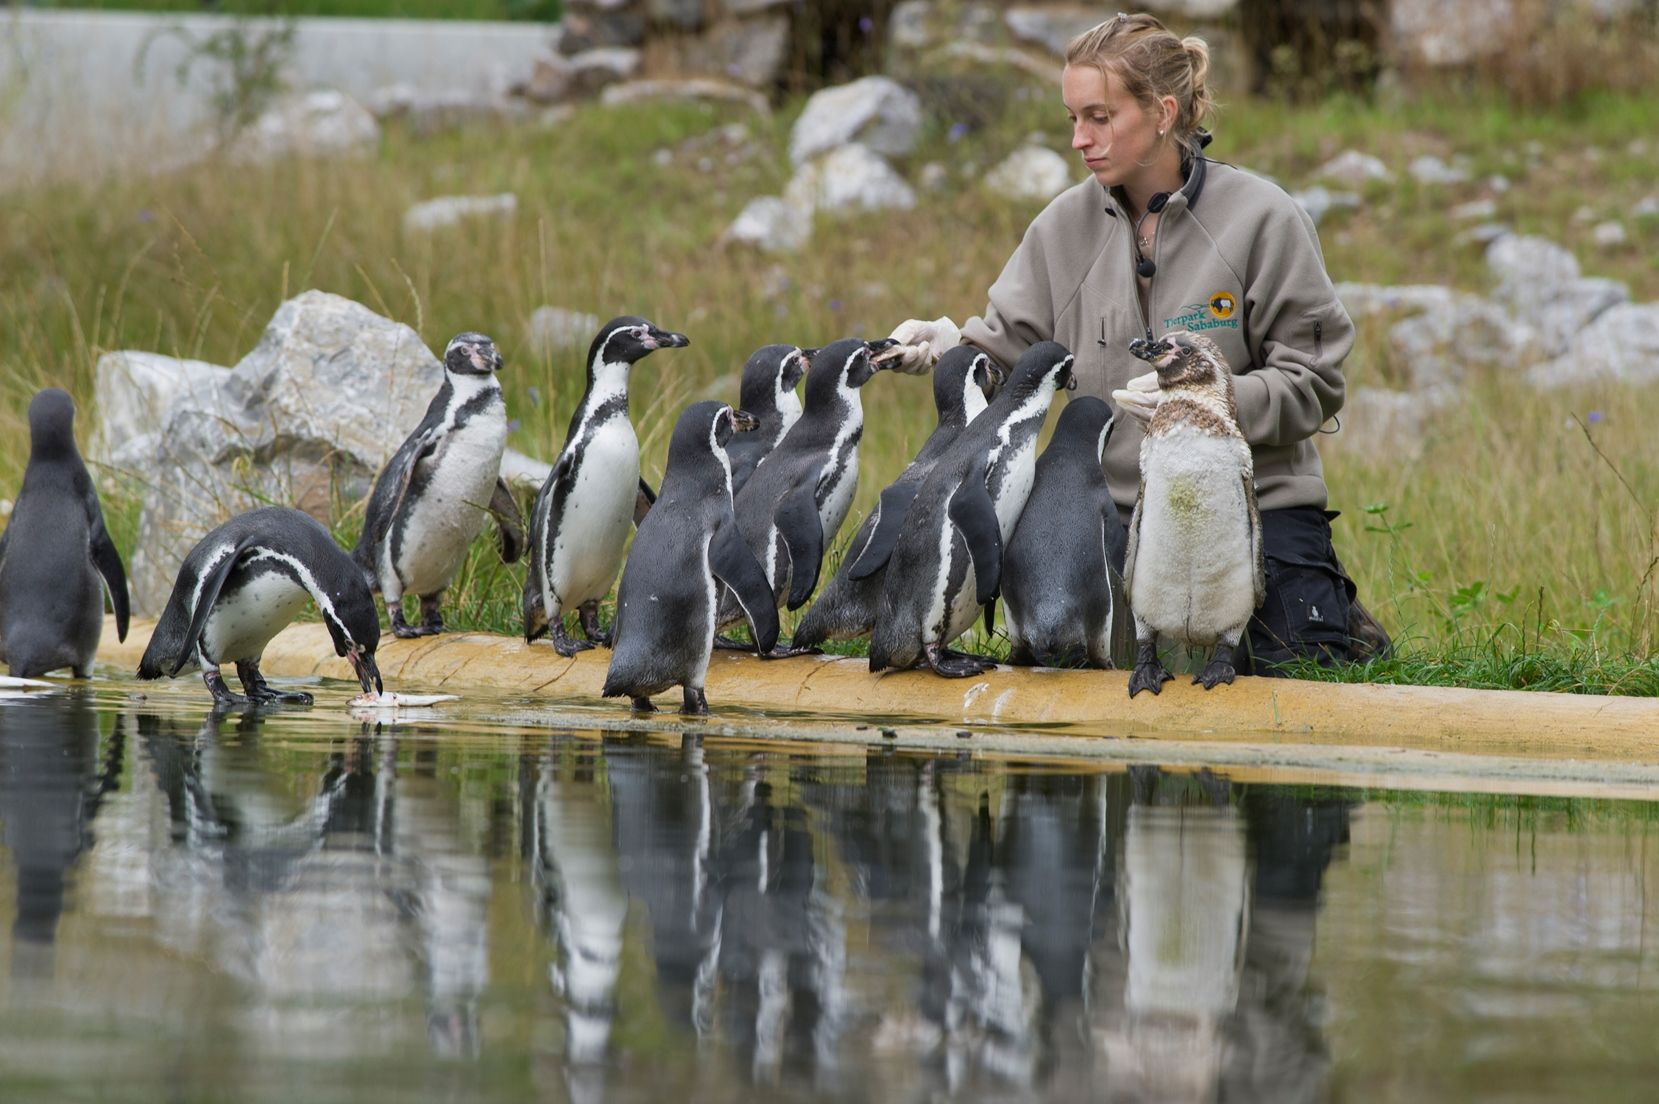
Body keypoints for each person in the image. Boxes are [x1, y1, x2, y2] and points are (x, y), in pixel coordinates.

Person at [879, 11, 1388, 674]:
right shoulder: (1060, 226)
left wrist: (1209, 400)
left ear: (1162, 111)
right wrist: (947, 350)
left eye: (1097, 116)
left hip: (1250, 508)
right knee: (1060, 676)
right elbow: (1005, 358)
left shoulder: (1263, 217)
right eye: (1070, 118)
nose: (1078, 140)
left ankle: (1331, 620)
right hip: (1105, 516)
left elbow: (1313, 386)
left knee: (1302, 688)